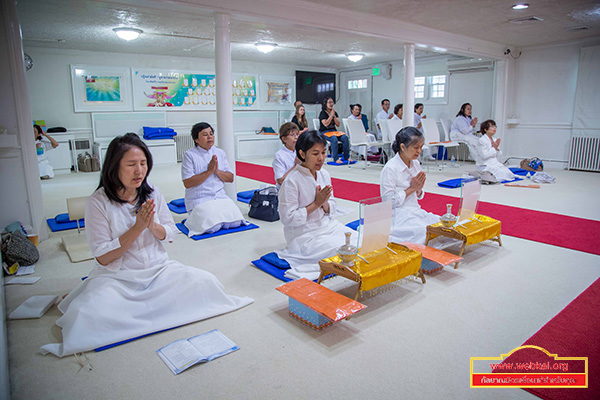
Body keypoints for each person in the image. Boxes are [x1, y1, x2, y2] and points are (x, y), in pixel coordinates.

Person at [40, 133, 253, 357]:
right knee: (89, 313)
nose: (139, 171)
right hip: (118, 278)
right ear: (114, 167)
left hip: (158, 270)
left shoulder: (152, 192)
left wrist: (153, 226)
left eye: (143, 164)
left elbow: (170, 233)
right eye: (131, 164)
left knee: (204, 282)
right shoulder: (98, 202)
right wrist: (137, 228)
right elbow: (103, 257)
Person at [277, 130, 356, 280]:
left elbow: (331, 205)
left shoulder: (324, 174)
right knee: (340, 250)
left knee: (358, 241)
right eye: (315, 154)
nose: (321, 158)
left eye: (324, 153)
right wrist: (316, 204)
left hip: (327, 226)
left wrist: (324, 203)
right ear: (302, 153)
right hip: (304, 236)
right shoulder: (292, 181)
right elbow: (287, 219)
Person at [181, 122, 247, 236]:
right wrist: (209, 172)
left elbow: (230, 178)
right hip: (200, 199)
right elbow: (187, 183)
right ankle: (192, 220)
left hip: (220, 196)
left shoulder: (219, 152)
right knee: (213, 227)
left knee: (236, 222)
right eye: (205, 134)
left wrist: (217, 171)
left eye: (211, 133)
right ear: (196, 139)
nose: (210, 137)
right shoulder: (189, 155)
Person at [380, 127, 440, 244]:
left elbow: (418, 195)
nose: (419, 151)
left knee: (438, 224)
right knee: (422, 232)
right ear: (403, 147)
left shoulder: (415, 164)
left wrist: (419, 189)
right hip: (398, 214)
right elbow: (387, 203)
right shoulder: (390, 168)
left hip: (415, 210)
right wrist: (412, 188)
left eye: (421, 147)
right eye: (416, 147)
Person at [319, 97, 352, 164]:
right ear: (325, 103)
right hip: (324, 132)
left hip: (334, 131)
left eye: (332, 102)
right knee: (334, 139)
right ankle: (335, 158)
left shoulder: (334, 112)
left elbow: (338, 124)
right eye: (329, 102)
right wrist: (330, 116)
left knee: (345, 137)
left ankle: (346, 157)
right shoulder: (322, 113)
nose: (331, 104)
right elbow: (325, 124)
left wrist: (333, 116)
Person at [273, 122, 301, 188]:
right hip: (286, 190)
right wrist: (296, 166)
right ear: (284, 139)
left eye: (297, 134)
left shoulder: (302, 151)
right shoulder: (279, 155)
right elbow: (280, 181)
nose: (296, 137)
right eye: (292, 135)